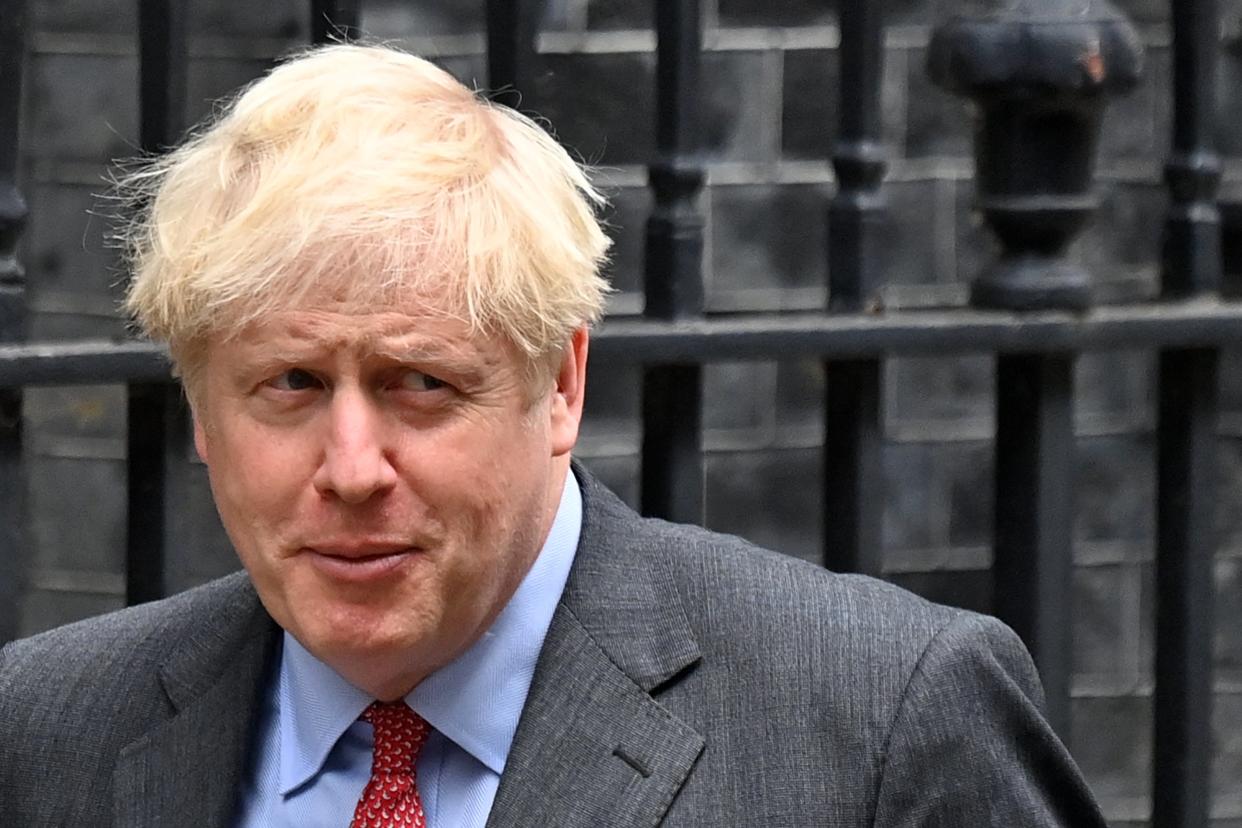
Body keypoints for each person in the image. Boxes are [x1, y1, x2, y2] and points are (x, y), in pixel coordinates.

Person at [0, 43, 1107, 827]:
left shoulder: (880, 723)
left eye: (421, 383)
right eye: (287, 385)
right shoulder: (43, 734)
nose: (349, 470)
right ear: (199, 406)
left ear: (562, 383)